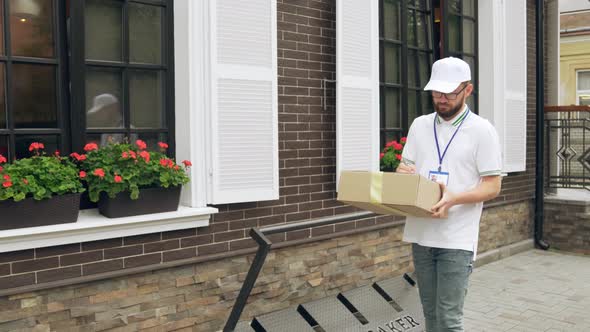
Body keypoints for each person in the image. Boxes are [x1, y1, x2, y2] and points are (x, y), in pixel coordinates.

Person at [397, 57, 502, 332]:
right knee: (430, 316)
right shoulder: (419, 125)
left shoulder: (482, 130)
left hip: (457, 238)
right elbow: (405, 166)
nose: (441, 99)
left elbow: (493, 185)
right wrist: (402, 174)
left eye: (449, 93)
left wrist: (453, 198)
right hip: (421, 234)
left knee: (448, 320)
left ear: (467, 90)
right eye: (436, 92)